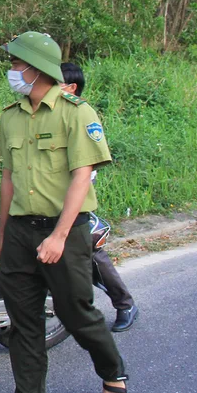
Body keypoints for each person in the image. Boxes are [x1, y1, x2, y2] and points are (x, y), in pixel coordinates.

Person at [0, 32, 127, 393]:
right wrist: (2, 232)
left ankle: (112, 370)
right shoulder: (10, 115)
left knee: (76, 313)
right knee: (23, 322)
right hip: (19, 232)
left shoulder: (76, 112)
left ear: (35, 67)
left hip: (65, 232)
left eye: (15, 64)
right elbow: (8, 178)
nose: (11, 71)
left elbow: (83, 176)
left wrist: (60, 236)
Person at [59, 62, 139, 332]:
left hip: (72, 204)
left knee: (91, 254)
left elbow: (85, 172)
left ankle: (124, 304)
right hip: (42, 204)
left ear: (71, 88)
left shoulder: (81, 115)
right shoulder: (45, 115)